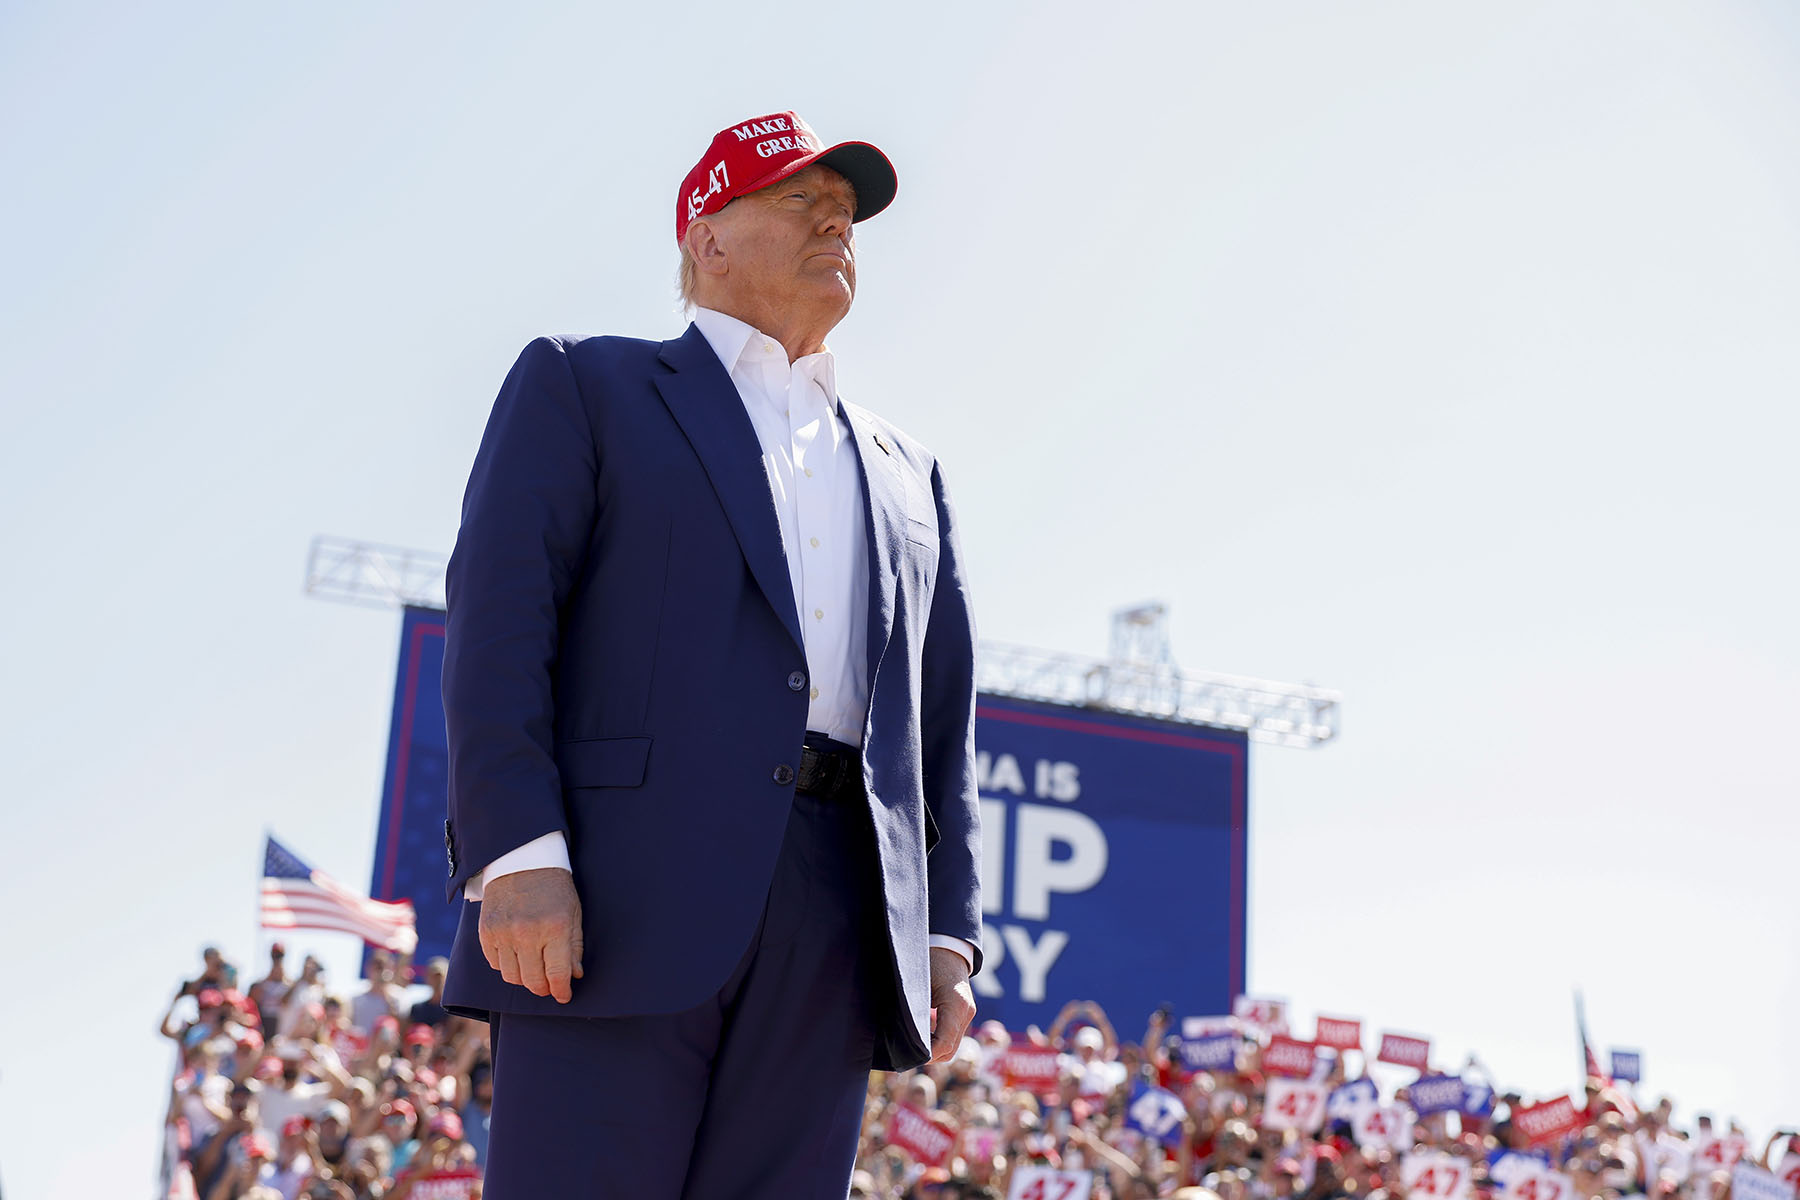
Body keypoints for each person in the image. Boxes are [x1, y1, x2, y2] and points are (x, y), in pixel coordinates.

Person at [439, 108, 983, 1197]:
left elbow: (938, 721)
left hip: (834, 923)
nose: (838, 225)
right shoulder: (586, 385)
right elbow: (501, 624)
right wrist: (518, 855)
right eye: (802, 202)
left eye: (847, 215)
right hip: (614, 901)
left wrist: (948, 932)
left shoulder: (906, 469)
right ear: (706, 236)